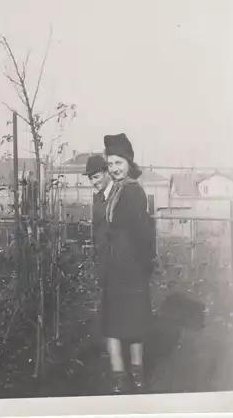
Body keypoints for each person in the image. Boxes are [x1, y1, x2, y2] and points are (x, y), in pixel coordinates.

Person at [102, 133, 156, 394]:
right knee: (113, 318)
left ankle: (136, 372)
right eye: (110, 164)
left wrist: (144, 262)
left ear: (129, 162)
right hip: (114, 264)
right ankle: (118, 373)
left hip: (132, 264)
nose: (114, 168)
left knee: (133, 319)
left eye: (118, 163)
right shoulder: (115, 190)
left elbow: (143, 232)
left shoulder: (133, 190)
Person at [83, 155, 114, 296]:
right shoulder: (98, 199)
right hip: (103, 265)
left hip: (120, 264)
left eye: (96, 177)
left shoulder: (122, 194)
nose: (93, 182)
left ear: (107, 172)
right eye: (91, 179)